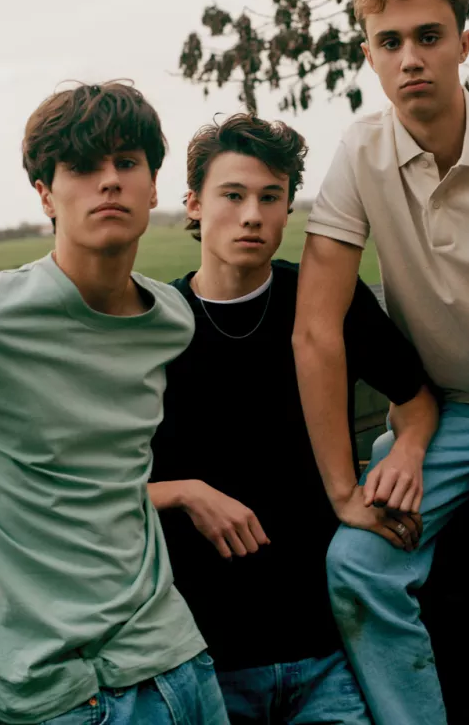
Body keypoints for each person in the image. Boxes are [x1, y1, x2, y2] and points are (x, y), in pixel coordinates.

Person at [292, 0, 469, 725]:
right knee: (355, 567)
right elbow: (315, 329)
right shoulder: (361, 152)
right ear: (369, 56)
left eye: (429, 36)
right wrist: (343, 491)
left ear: (465, 43)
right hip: (446, 415)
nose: (410, 57)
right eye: (390, 42)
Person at [0, 82, 228, 725]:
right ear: (45, 195)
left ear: (153, 187)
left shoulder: (170, 318)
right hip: (61, 692)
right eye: (83, 167)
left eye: (127, 162)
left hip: (180, 659)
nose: (109, 181)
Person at [148, 113, 439, 724]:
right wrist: (185, 492)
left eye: (270, 197)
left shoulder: (326, 303)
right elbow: (100, 486)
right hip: (210, 667)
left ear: (287, 210)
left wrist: (405, 451)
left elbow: (416, 402)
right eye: (232, 195)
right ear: (194, 204)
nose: (252, 215)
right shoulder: (155, 329)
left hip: (326, 656)